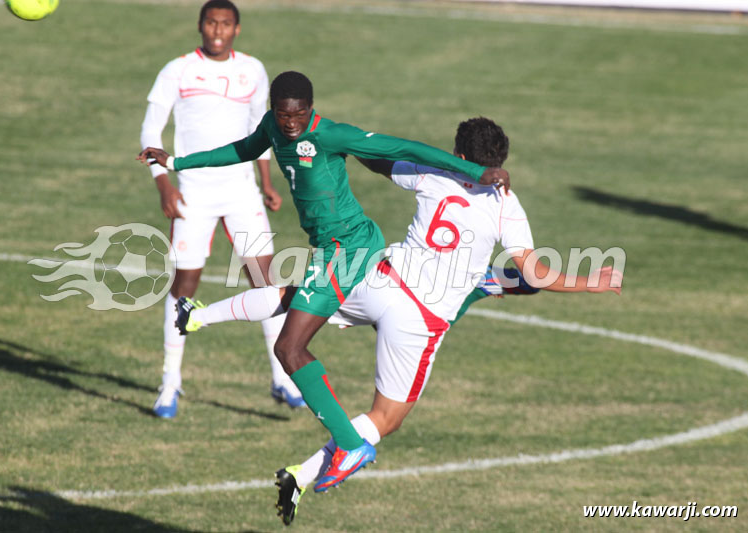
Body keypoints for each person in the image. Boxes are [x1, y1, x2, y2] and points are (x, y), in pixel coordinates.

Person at [165, 117, 623, 525]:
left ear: (459, 155)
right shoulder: (506, 202)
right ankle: (305, 474)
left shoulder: (438, 171)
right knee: (386, 418)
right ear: (501, 159)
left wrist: (349, 149)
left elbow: (383, 160)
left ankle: (202, 315)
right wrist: (593, 282)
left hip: (379, 279)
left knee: (300, 296)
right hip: (419, 319)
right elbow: (533, 273)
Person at [138, 72, 512, 491]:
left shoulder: (331, 135)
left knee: (289, 346)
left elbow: (404, 147)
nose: (291, 123)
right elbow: (241, 150)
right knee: (291, 300)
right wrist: (175, 162)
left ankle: (351, 444)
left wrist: (473, 170)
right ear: (273, 111)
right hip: (328, 250)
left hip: (349, 249)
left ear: (310, 109)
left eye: (299, 114)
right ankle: (200, 317)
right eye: (283, 115)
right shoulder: (270, 128)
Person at [139, 0, 304, 418]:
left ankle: (282, 379)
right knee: (185, 285)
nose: (217, 30)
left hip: (241, 191)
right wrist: (163, 183)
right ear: (200, 26)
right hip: (193, 191)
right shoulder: (177, 70)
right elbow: (150, 128)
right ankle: (170, 384)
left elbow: (259, 131)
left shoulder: (252, 69)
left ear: (237, 29)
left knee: (266, 283)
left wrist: (267, 183)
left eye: (225, 23)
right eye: (211, 22)